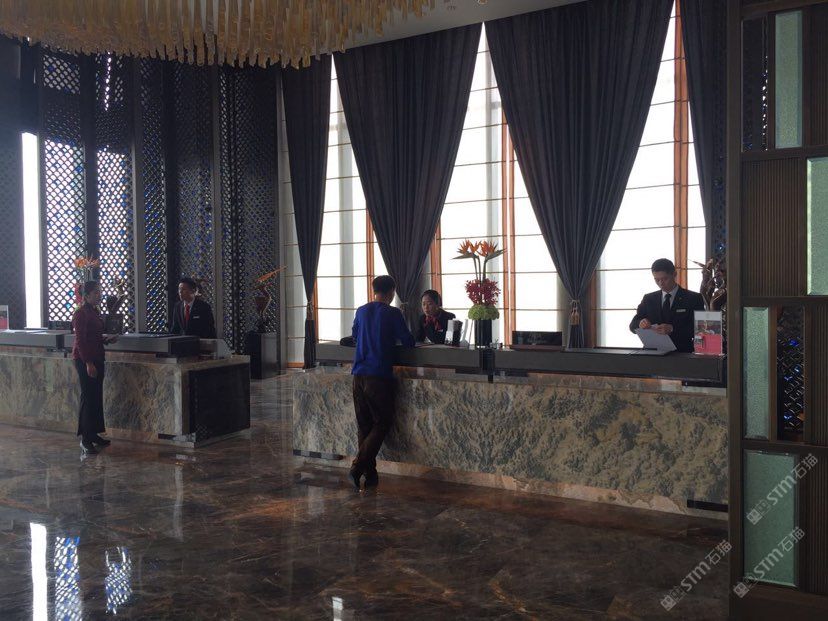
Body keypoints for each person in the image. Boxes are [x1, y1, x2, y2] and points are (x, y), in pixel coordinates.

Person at [349, 275, 415, 490]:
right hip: (378, 375)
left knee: (364, 425)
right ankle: (357, 467)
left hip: (358, 375)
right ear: (392, 292)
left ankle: (370, 474)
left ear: (374, 290)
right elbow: (408, 341)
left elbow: (355, 335)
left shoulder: (361, 311)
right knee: (382, 423)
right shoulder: (393, 313)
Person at [72, 281, 117, 454]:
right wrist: (88, 363)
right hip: (85, 360)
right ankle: (85, 439)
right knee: (88, 397)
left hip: (97, 357)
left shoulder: (94, 311)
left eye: (100, 292)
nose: (100, 295)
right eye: (96, 292)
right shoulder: (81, 313)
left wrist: (107, 339)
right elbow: (80, 341)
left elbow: (94, 336)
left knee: (96, 396)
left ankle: (94, 433)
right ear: (87, 295)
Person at [630, 258, 705, 353]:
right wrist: (640, 323)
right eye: (657, 280)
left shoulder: (693, 298)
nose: (661, 283)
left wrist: (672, 329)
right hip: (652, 353)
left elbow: (701, 330)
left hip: (682, 353)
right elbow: (632, 326)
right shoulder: (648, 299)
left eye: (665, 279)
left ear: (674, 274)